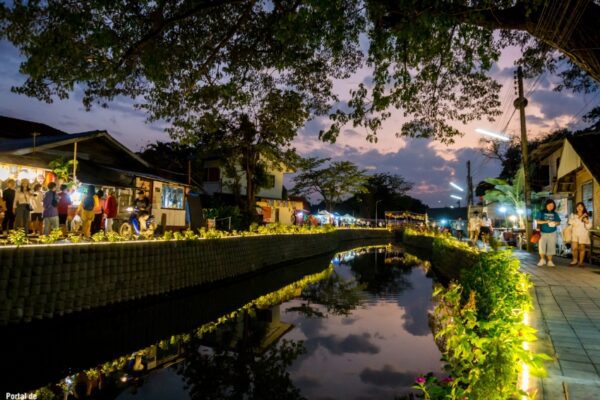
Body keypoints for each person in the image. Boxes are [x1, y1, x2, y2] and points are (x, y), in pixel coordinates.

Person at [535, 199, 561, 267]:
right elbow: (538, 221)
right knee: (541, 246)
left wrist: (555, 223)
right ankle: (542, 260)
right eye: (549, 205)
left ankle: (550, 261)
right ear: (546, 205)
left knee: (551, 246)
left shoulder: (555, 214)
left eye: (552, 205)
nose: (551, 206)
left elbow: (558, 222)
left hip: (552, 232)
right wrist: (546, 222)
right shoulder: (541, 212)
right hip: (542, 232)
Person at [568, 202, 592, 267]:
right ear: (576, 208)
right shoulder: (573, 215)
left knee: (582, 248)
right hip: (575, 234)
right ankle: (575, 260)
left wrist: (587, 222)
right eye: (578, 206)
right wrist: (580, 217)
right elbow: (571, 223)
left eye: (581, 206)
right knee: (574, 248)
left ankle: (581, 262)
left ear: (583, 208)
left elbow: (589, 226)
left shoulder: (586, 215)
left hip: (583, 234)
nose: (579, 208)